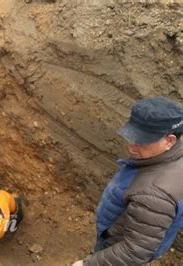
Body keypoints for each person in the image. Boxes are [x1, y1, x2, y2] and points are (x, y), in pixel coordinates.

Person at [73, 96, 183, 266]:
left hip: (120, 245)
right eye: (132, 136)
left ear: (169, 141)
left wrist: (89, 264)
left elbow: (134, 251)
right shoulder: (172, 155)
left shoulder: (153, 195)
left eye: (142, 141)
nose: (131, 146)